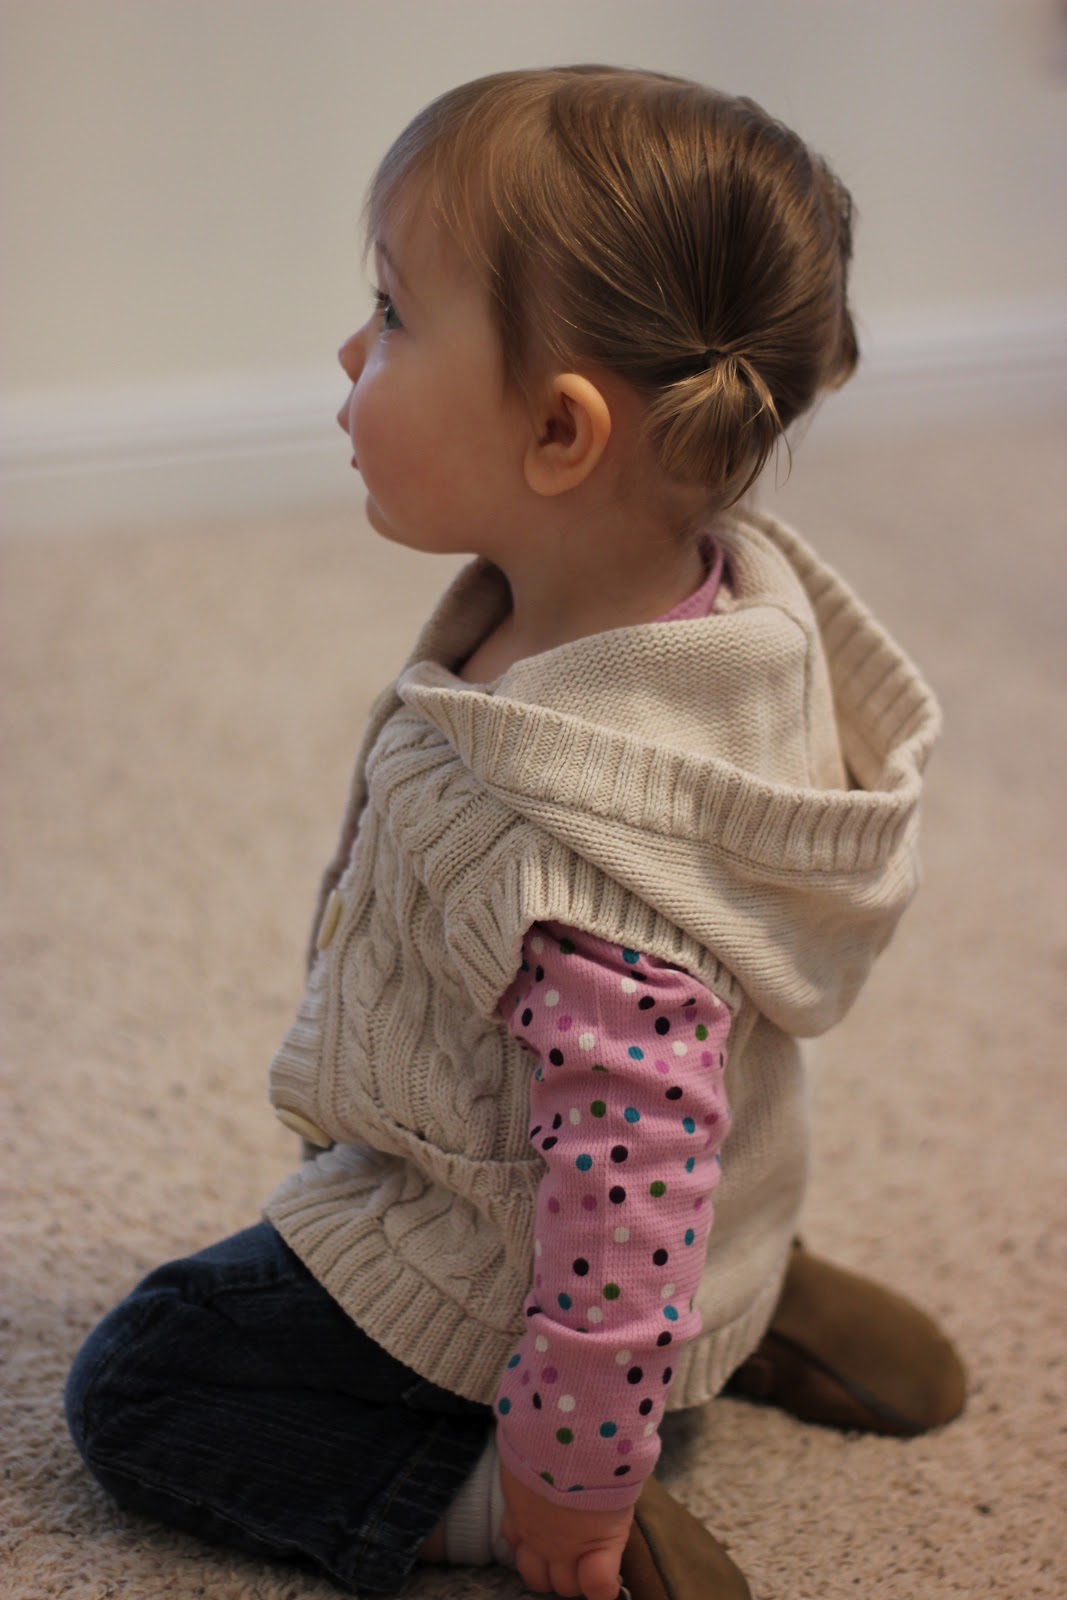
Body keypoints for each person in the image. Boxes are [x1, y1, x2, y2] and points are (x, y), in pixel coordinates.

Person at [64, 66, 966, 1600]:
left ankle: (515, 1481)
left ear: (559, 431)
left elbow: (630, 1172)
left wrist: (568, 1481)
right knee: (682, 1181)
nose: (350, 349)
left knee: (142, 1383)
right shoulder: (733, 622)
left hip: (512, 1275)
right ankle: (754, 1295)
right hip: (707, 1213)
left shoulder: (567, 846)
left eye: (392, 313)